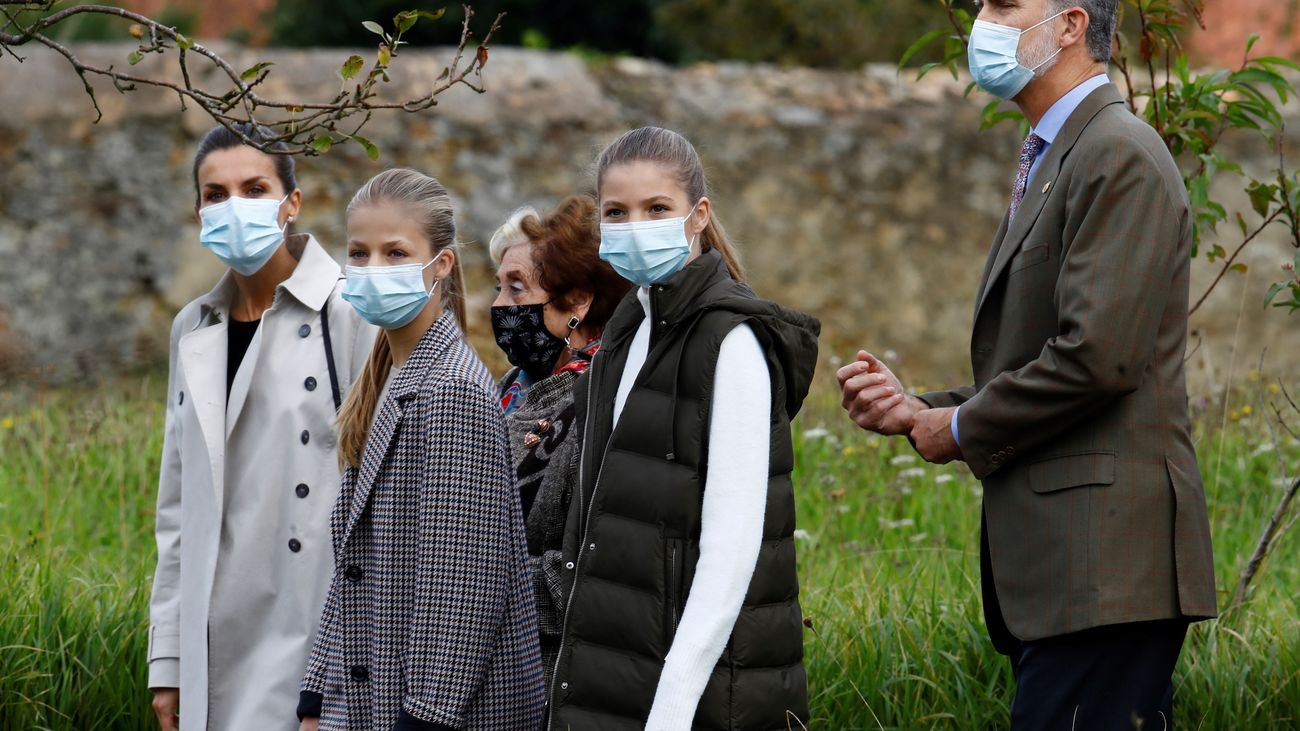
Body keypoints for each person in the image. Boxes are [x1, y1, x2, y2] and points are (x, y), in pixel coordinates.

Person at [837, 1, 1218, 728]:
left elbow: (1097, 359)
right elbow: (1046, 353)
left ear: (1071, 25)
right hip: (1073, 576)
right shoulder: (1061, 153)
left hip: (1106, 569)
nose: (983, 19)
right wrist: (923, 409)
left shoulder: (1118, 152)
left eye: (1004, 4)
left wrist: (959, 426)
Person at [547, 127, 820, 730]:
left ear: (698, 216)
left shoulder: (733, 341)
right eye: (616, 212)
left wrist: (671, 708)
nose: (635, 224)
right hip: (614, 675)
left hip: (699, 695)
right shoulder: (627, 330)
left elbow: (732, 550)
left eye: (657, 209)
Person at [147, 123, 377, 731]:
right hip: (209, 638)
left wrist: (345, 677)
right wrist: (167, 659)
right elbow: (178, 508)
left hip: (307, 631)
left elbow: (387, 506)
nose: (234, 207)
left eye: (254, 188)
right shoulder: (192, 327)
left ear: (291, 202)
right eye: (216, 194)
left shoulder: (350, 313)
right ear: (198, 210)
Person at [297, 168, 544, 730]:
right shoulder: (390, 375)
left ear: (442, 264)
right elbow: (357, 563)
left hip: (430, 713)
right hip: (372, 691)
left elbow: (461, 584)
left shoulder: (450, 391)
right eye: (358, 254)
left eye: (396, 253)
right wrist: (316, 694)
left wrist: (426, 719)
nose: (372, 270)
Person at [487, 196, 631, 689]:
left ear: (578, 302)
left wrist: (472, 585)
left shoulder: (603, 402)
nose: (499, 307)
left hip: (550, 675)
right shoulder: (503, 391)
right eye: (498, 288)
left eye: (517, 289)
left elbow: (603, 565)